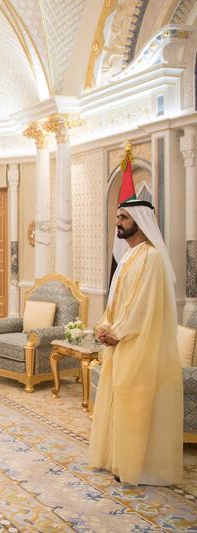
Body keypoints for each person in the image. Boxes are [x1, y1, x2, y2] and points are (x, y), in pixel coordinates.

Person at [89, 199, 183, 486]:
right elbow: (116, 302)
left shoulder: (152, 258)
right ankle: (120, 460)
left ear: (140, 222)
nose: (118, 222)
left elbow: (144, 307)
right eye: (117, 217)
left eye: (124, 218)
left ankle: (140, 467)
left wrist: (117, 332)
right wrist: (104, 326)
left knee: (137, 405)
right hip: (120, 343)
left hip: (141, 345)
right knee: (121, 403)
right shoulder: (129, 257)